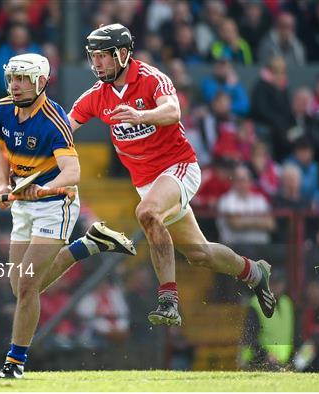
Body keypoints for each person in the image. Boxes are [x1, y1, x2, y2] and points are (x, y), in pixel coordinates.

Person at [61, 23, 276, 327]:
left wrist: (142, 115)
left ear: (122, 54)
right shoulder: (96, 96)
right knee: (200, 254)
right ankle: (254, 272)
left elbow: (173, 111)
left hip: (179, 167)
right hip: (148, 183)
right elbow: (65, 128)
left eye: (102, 56)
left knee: (147, 212)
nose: (96, 63)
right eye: (93, 56)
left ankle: (168, 300)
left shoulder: (151, 79)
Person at [0, 53, 135, 379]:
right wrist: (3, 183)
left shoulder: (53, 120)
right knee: (20, 287)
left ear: (41, 82)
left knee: (28, 286)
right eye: (13, 77)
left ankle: (15, 363)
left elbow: (73, 171)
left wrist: (43, 189)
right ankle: (88, 245)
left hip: (57, 203)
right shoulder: (1, 111)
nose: (16, 84)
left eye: (24, 78)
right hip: (22, 205)